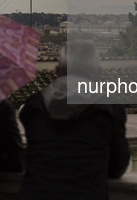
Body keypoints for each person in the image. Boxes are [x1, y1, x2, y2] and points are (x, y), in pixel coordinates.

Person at [17, 40, 130, 200]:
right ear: (98, 73)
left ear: (57, 71)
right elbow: (117, 166)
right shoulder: (109, 106)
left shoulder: (34, 104)